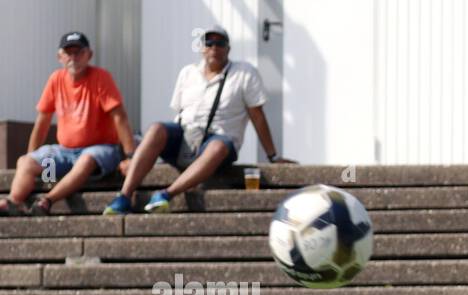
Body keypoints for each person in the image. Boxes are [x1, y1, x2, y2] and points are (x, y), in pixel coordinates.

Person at [104, 26, 288, 215]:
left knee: (218, 146)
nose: (214, 48)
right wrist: (133, 158)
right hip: (187, 138)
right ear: (201, 48)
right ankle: (124, 196)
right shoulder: (188, 72)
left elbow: (257, 115)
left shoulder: (244, 73)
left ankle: (167, 194)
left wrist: (272, 156)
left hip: (219, 141)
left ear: (228, 49)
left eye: (220, 43)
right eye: (209, 43)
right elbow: (180, 113)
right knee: (156, 128)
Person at [0, 31, 135, 216]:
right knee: (25, 161)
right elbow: (43, 121)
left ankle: (47, 200)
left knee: (86, 159)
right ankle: (14, 202)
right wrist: (34, 153)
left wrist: (130, 156)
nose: (74, 57)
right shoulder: (55, 79)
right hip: (64, 152)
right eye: (68, 53)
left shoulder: (101, 77)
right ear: (60, 57)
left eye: (79, 52)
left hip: (100, 149)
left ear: (89, 55)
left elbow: (119, 116)